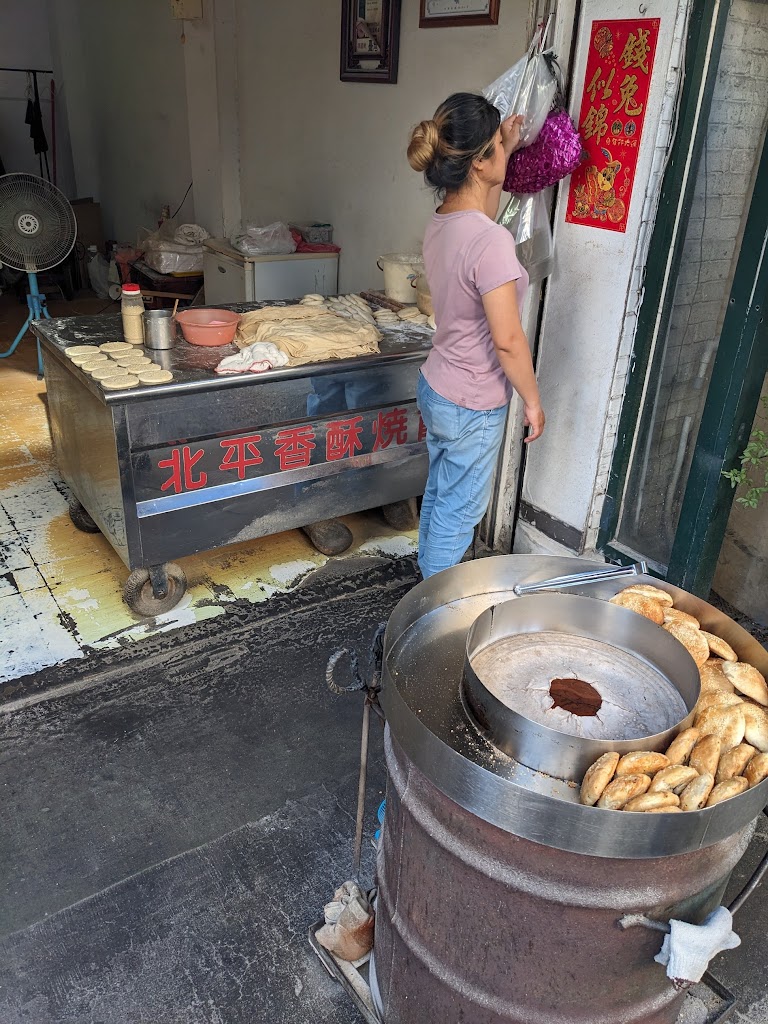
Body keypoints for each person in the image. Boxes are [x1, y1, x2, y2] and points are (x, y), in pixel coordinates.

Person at [407, 92, 546, 580]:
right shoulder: (490, 241)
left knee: (443, 495)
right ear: (482, 161)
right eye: (499, 149)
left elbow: (480, 211)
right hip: (472, 402)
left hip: (438, 385)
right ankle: (435, 612)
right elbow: (508, 341)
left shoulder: (444, 221)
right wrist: (531, 400)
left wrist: (503, 141)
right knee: (459, 513)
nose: (507, 155)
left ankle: (427, 585)